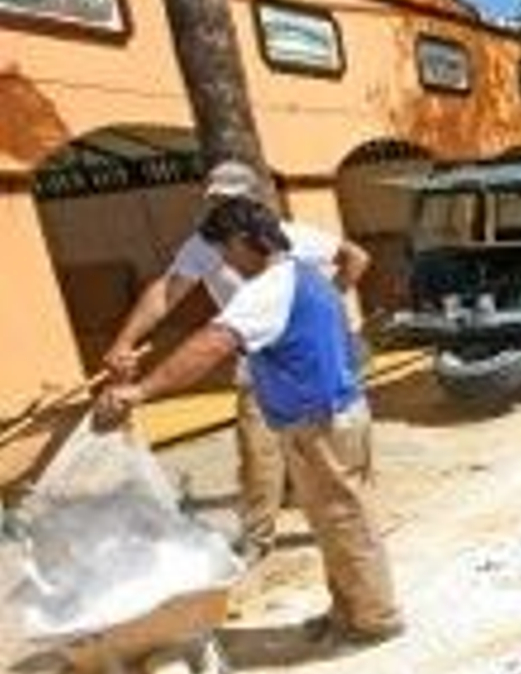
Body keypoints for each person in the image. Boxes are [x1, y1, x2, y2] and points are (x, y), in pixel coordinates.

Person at [95, 197, 402, 646]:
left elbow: (211, 344)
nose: (223, 263)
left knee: (344, 522)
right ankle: (350, 611)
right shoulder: (303, 274)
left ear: (243, 241)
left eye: (224, 251)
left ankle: (376, 619)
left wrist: (140, 391)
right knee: (330, 522)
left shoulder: (268, 289)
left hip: (321, 423)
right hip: (324, 417)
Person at [104, 161, 370, 564]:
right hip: (256, 356)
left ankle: (349, 531)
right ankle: (261, 536)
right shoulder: (203, 244)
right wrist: (124, 342)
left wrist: (325, 305)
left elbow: (355, 258)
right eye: (215, 200)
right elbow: (166, 293)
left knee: (334, 440)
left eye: (229, 201)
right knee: (259, 450)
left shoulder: (290, 238)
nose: (219, 212)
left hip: (314, 355)